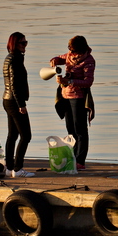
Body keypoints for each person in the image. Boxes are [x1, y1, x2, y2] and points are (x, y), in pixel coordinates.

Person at [50, 35, 95, 170]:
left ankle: (80, 160)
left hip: (79, 98)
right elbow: (60, 57)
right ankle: (73, 156)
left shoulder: (88, 61)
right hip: (66, 96)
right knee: (70, 129)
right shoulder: (69, 55)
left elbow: (88, 82)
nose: (71, 52)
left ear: (80, 49)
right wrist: (54, 60)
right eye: (70, 49)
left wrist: (69, 81)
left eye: (73, 50)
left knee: (80, 130)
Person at [3, 32, 34, 178]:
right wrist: (21, 104)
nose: (25, 45)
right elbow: (14, 84)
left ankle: (9, 167)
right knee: (26, 135)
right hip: (15, 102)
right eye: (22, 43)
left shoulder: (10, 58)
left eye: (26, 42)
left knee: (13, 135)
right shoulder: (15, 59)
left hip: (7, 100)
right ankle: (18, 168)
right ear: (15, 44)